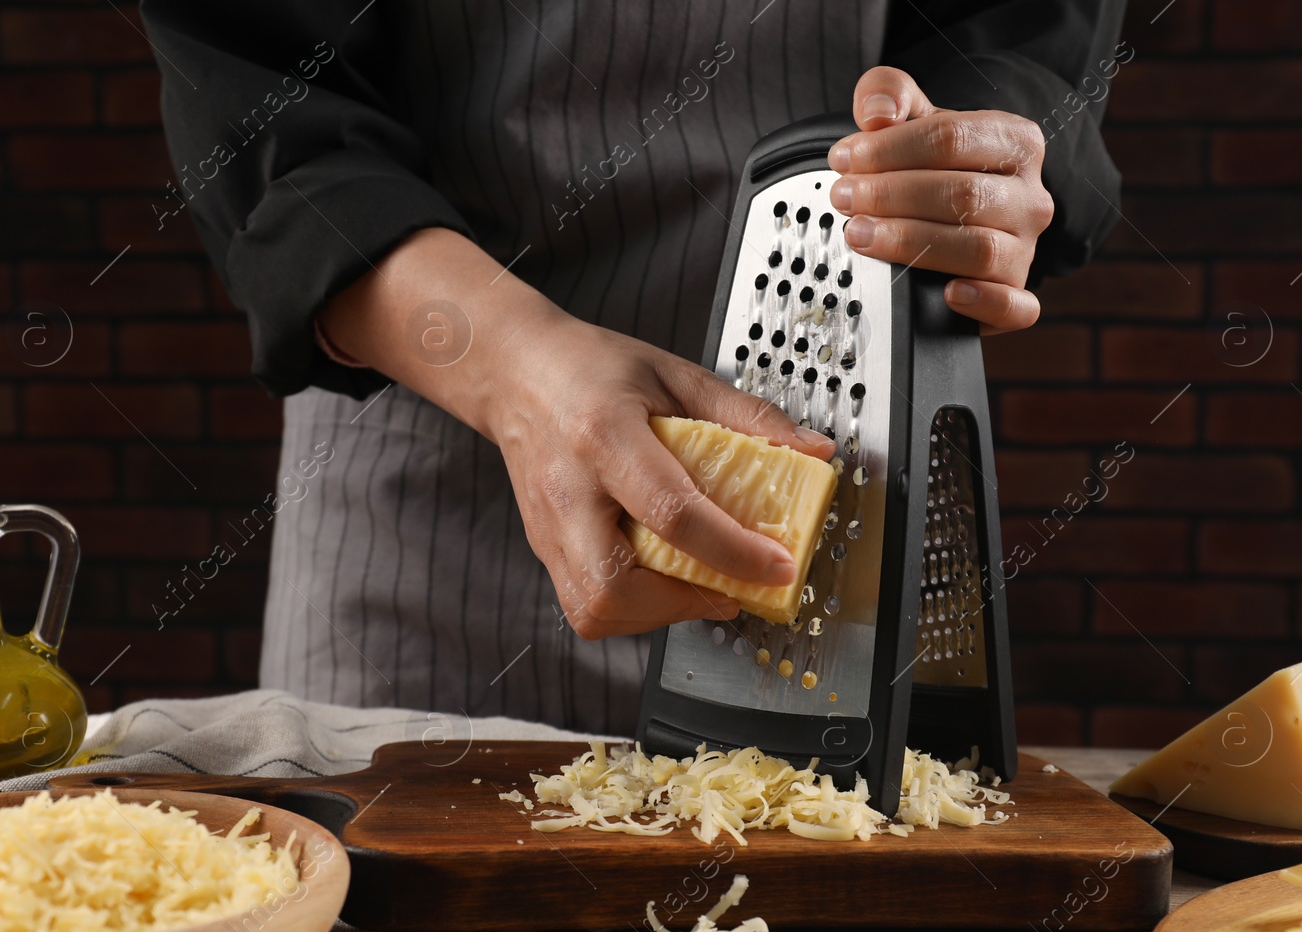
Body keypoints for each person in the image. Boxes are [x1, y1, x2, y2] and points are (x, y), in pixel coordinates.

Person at [140, 0, 1126, 732]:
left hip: (836, 534)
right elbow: (273, 117)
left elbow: (1024, 44)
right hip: (423, 553)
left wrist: (974, 167)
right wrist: (521, 372)